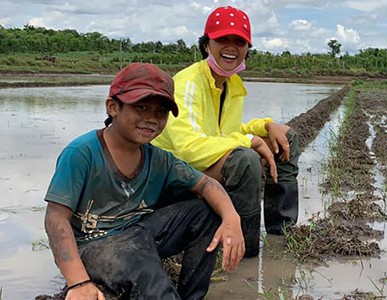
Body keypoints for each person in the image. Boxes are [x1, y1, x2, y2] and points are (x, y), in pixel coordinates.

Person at [43, 62, 244, 300]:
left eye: (161, 112)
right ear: (113, 107)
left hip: (140, 231)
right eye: (142, 107)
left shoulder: (158, 158)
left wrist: (232, 218)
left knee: (205, 211)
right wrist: (78, 282)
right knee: (146, 273)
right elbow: (55, 220)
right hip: (95, 243)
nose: (151, 119)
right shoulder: (82, 153)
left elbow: (206, 185)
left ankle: (192, 296)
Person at [152, 6, 300, 258]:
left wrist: (264, 127)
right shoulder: (188, 83)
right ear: (207, 44)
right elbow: (189, 148)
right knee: (245, 159)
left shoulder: (231, 83)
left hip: (202, 163)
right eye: (223, 39)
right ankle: (244, 249)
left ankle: (281, 231)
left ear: (247, 49)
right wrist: (249, 141)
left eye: (239, 41)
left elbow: (225, 132)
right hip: (173, 173)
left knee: (286, 137)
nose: (231, 47)